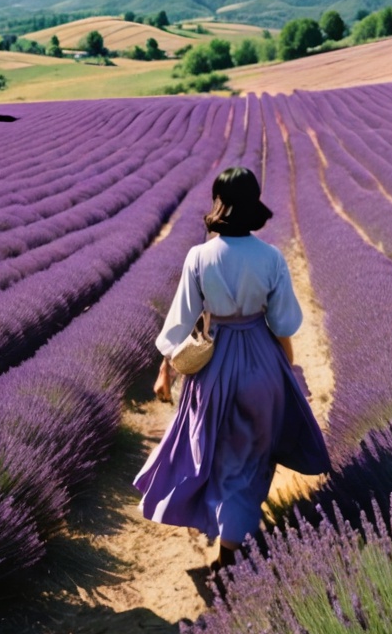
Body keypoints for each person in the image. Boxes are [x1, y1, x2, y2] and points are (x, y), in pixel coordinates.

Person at [133, 166, 331, 573]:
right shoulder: (271, 257)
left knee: (215, 456)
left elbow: (180, 324)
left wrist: (165, 372)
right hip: (262, 363)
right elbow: (284, 325)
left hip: (215, 369)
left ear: (218, 202)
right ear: (254, 202)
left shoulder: (199, 256)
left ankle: (226, 545)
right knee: (253, 459)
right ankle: (231, 545)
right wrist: (288, 373)